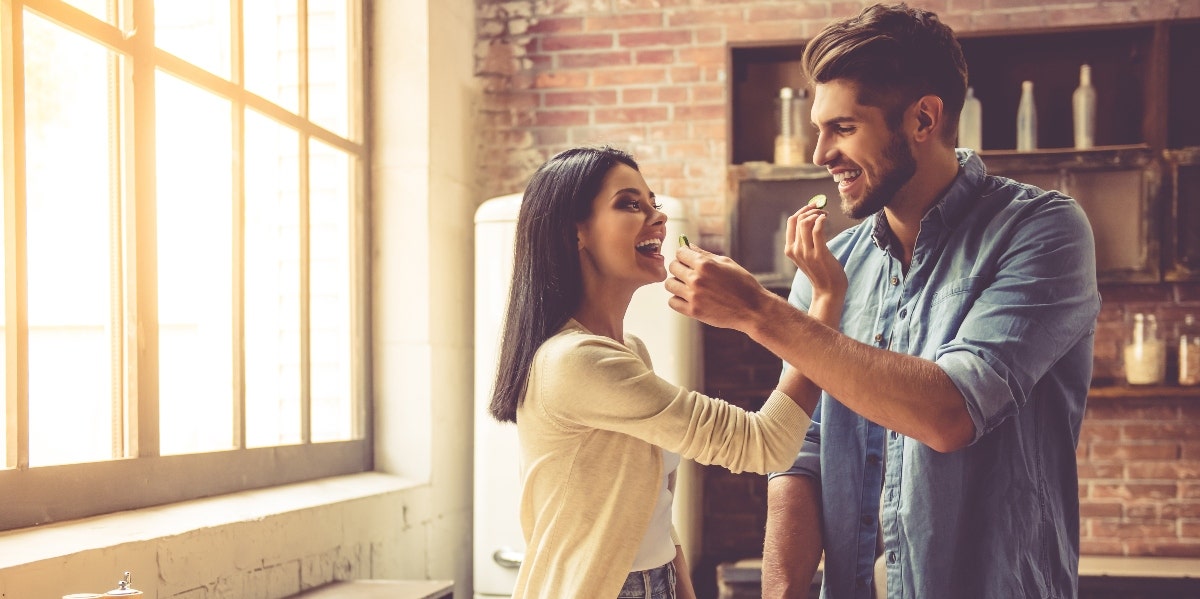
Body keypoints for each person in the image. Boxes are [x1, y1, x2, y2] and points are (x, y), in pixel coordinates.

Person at [666, 4, 1101, 598]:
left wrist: (759, 313)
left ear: (923, 118)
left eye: (842, 128)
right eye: (819, 129)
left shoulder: (1042, 230)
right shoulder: (831, 265)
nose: (820, 154)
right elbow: (802, 450)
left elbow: (950, 413)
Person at [489, 145, 846, 599]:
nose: (657, 217)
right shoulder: (575, 362)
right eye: (630, 204)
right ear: (575, 231)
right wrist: (825, 300)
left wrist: (678, 582)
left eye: (652, 202)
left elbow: (649, 497)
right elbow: (766, 444)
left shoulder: (626, 350)